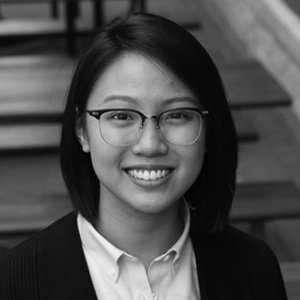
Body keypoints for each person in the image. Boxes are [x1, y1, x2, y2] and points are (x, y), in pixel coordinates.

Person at [0, 13, 287, 300]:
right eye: (121, 115)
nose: (150, 145)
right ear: (81, 130)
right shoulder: (18, 282)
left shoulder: (254, 269)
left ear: (208, 129)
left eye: (177, 115)